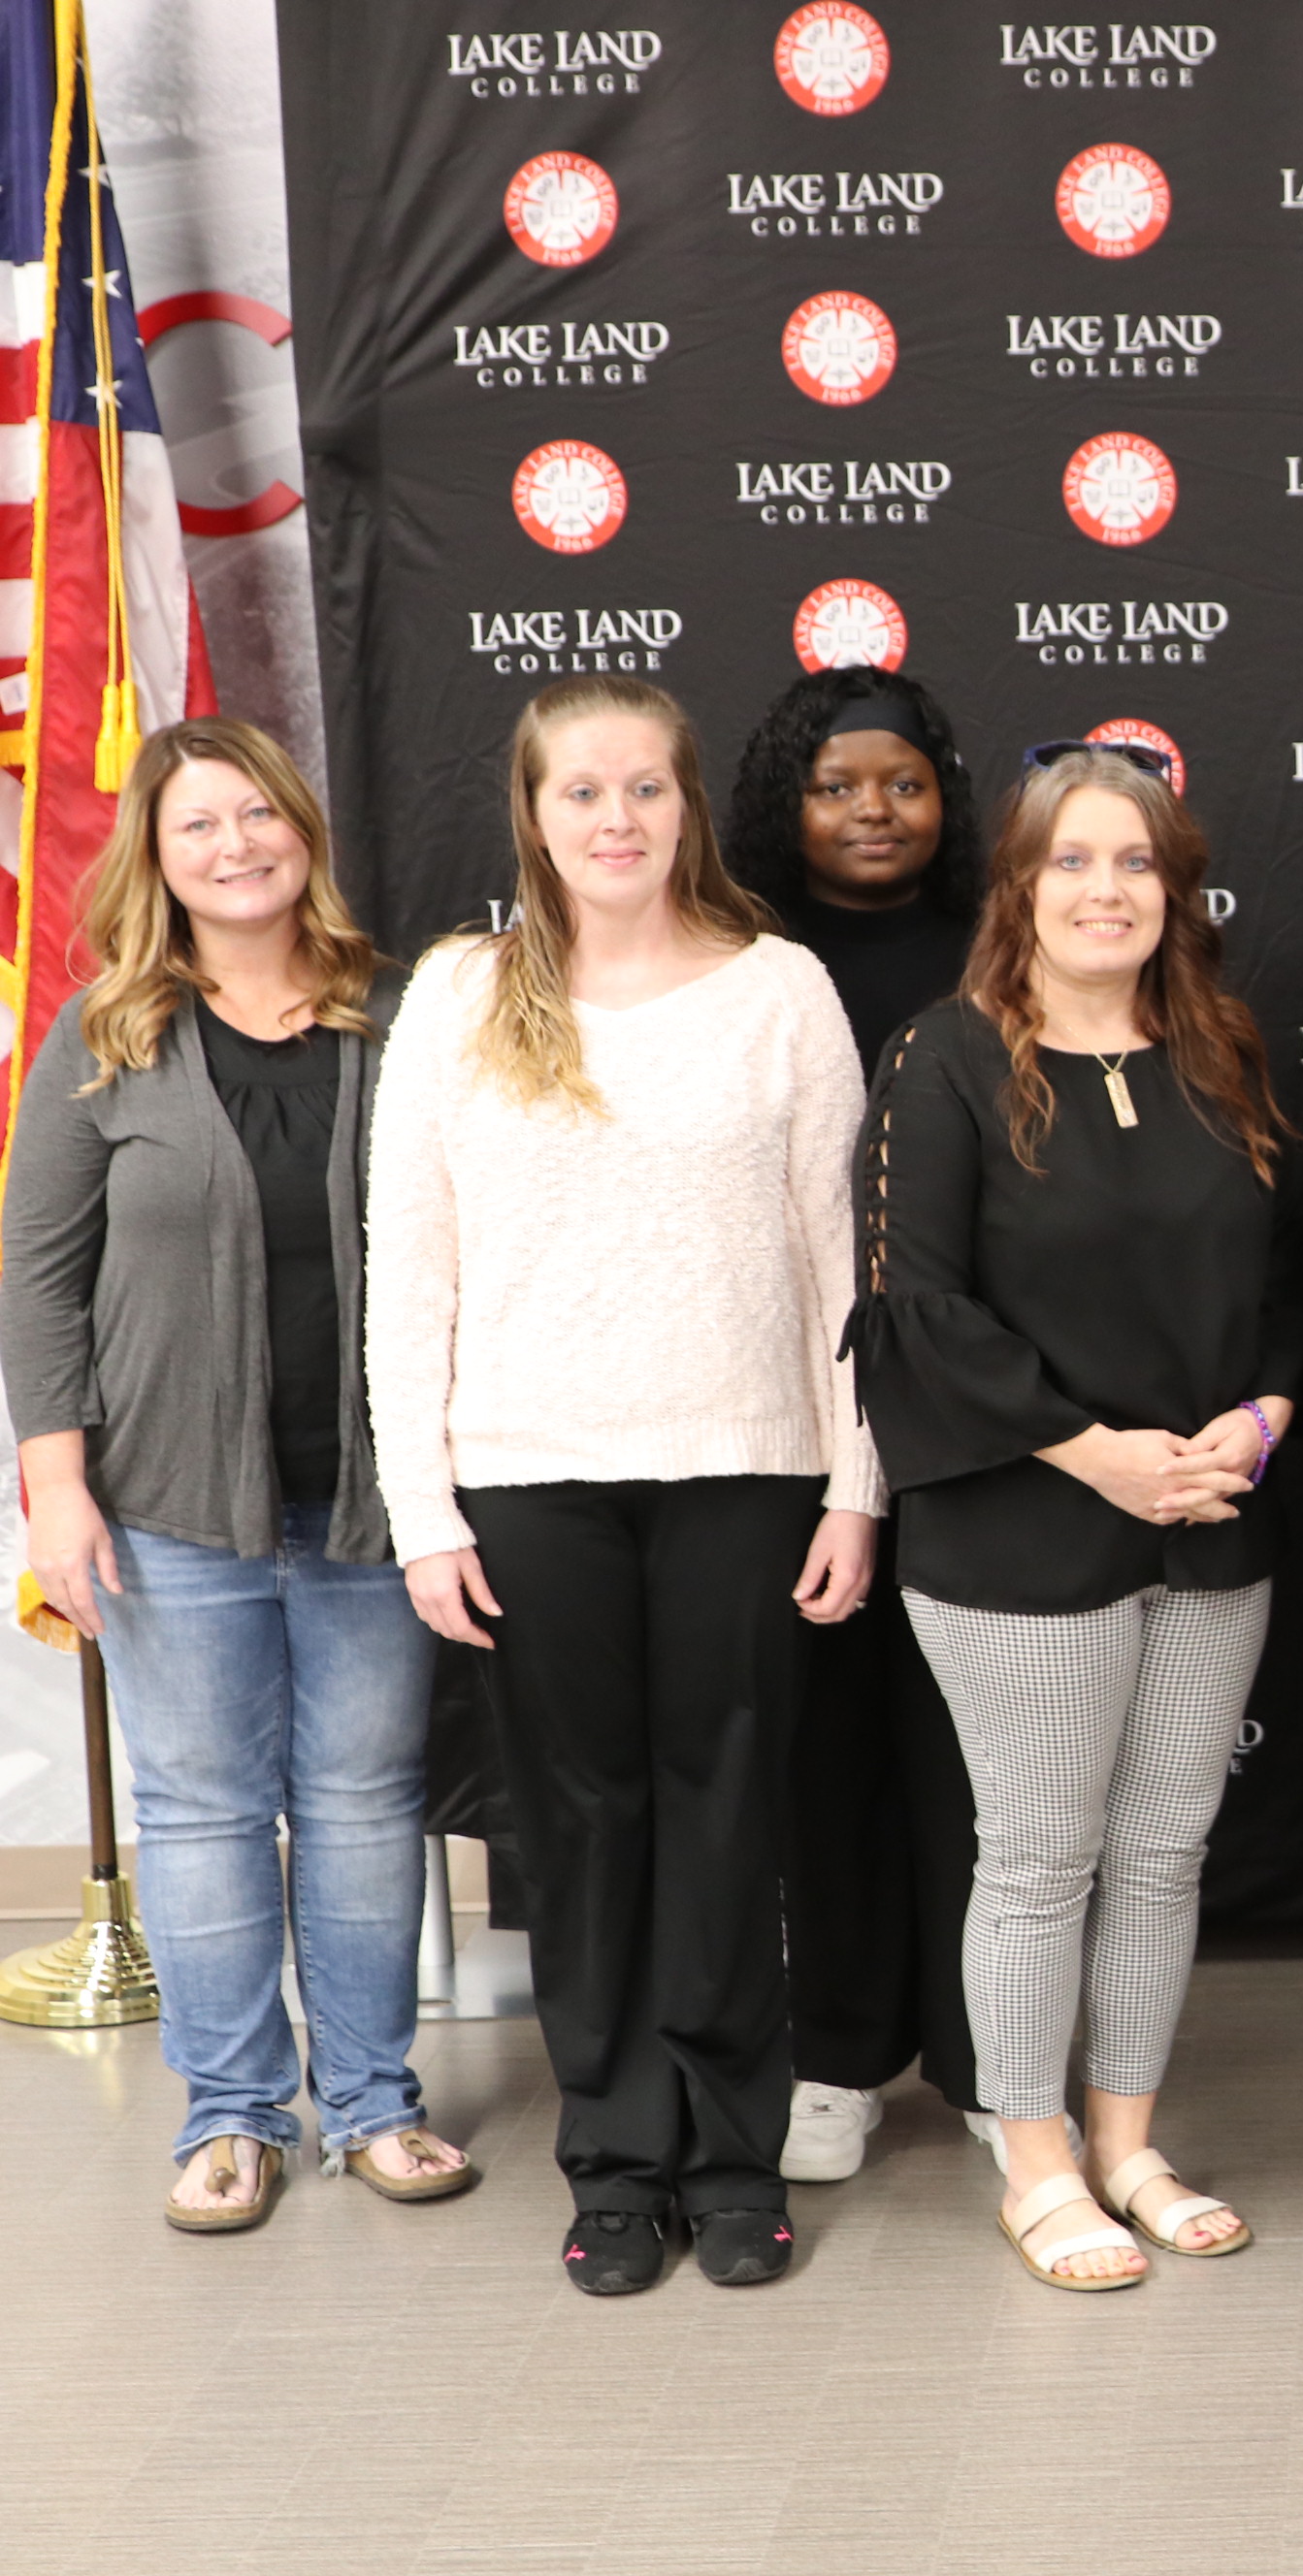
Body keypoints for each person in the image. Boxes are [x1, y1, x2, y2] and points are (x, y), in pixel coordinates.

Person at [366, 676, 883, 2296]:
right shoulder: (461, 994)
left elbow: (840, 1264)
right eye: (581, 792)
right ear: (532, 814)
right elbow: (409, 1273)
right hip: (531, 1480)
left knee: (732, 1819)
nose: (615, 820)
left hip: (748, 1467)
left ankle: (735, 2160)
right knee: (584, 1827)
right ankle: (614, 2162)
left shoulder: (780, 990)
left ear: (687, 808)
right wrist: (426, 1508)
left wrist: (857, 1484)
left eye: (645, 790)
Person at [851, 744, 1303, 2291]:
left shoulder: (1226, 1052)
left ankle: (1127, 2144)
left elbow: (1297, 1284)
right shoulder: (949, 1058)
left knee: (1167, 1850)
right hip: (1019, 1530)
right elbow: (920, 1311)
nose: (1104, 890)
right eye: (1073, 861)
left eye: (1135, 863)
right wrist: (1096, 1451)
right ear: (1022, 886)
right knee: (1042, 1854)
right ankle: (1033, 2156)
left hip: (1214, 1516)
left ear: (1174, 890)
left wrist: (1256, 1421)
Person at [3, 720, 472, 2231]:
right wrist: (56, 1484)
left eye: (261, 815)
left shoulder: (402, 1020)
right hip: (168, 1505)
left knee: (360, 1798)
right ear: (158, 853)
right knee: (202, 1808)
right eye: (201, 824)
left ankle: (376, 2106)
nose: (237, 845)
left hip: (373, 1498)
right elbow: (37, 1273)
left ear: (303, 837)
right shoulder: (108, 1031)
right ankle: (230, 2116)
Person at [726, 664, 986, 2181]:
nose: (874, 809)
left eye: (902, 781)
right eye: (838, 786)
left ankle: (979, 2051)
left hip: (970, 1413)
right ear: (787, 805)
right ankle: (836, 2055)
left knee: (970, 1751)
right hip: (800, 1413)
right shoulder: (744, 962)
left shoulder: (994, 954)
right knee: (826, 1756)